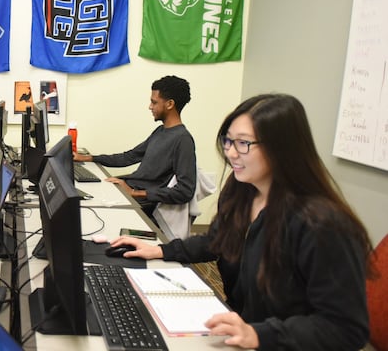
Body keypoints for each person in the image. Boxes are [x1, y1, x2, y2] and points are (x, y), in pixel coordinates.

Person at [110, 93, 373, 350]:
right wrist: (161, 250)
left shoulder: (322, 224)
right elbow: (218, 240)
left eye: (243, 143)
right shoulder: (244, 191)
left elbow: (346, 329)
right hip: (239, 330)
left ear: (282, 149)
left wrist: (259, 335)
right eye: (228, 141)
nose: (231, 154)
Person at [74, 75, 196, 219]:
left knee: (83, 211)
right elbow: (129, 157)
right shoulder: (161, 131)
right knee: (81, 193)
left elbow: (185, 191)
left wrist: (134, 193)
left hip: (141, 201)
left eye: (154, 102)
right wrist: (88, 158)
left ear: (169, 104)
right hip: (131, 189)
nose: (150, 107)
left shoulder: (183, 139)